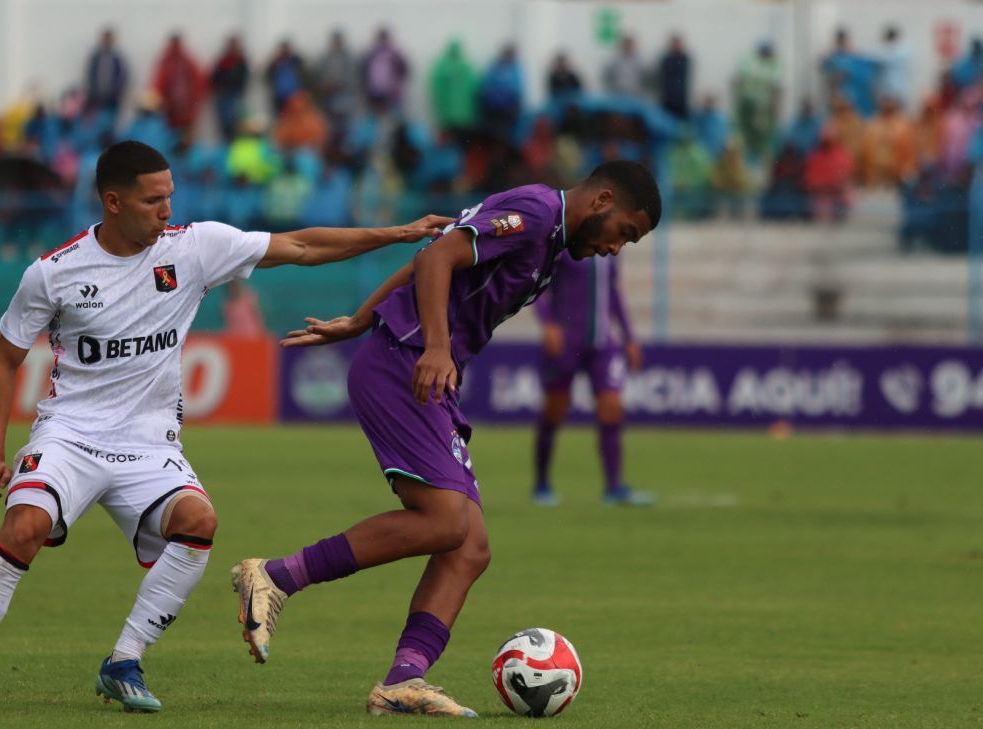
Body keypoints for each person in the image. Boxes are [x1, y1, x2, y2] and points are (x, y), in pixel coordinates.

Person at [0, 140, 451, 713]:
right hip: (69, 434)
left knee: (199, 522)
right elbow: (5, 359)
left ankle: (124, 661)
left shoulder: (195, 248)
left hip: (148, 442)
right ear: (113, 202)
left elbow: (299, 244)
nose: (167, 210)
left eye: (169, 196)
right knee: (24, 527)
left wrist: (398, 234)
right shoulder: (53, 274)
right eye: (153, 201)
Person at [231, 160, 661, 716]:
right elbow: (438, 257)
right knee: (445, 521)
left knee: (469, 546)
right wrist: (435, 345)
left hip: (420, 365)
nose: (616, 249)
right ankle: (275, 576)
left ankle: (403, 680)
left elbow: (430, 257)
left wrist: (361, 318)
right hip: (406, 364)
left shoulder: (550, 238)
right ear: (603, 201)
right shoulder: (535, 212)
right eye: (625, 233)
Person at [530, 244, 650, 507]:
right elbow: (537, 286)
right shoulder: (565, 242)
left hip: (603, 343)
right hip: (566, 340)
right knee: (555, 410)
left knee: (612, 408)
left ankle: (614, 487)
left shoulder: (611, 244)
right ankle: (541, 484)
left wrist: (629, 336)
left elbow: (614, 291)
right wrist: (547, 323)